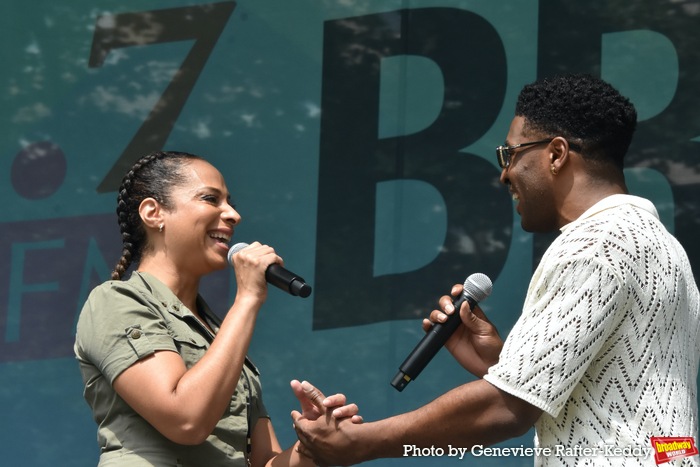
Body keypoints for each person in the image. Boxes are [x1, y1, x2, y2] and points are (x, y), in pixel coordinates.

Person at [292, 74, 700, 466]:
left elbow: (507, 410)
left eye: (510, 154)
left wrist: (361, 443)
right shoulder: (664, 248)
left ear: (556, 154)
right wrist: (503, 364)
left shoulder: (592, 245)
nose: (505, 173)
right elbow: (623, 400)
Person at [74, 150, 361, 467]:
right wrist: (249, 297)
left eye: (231, 205)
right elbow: (185, 419)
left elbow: (264, 461)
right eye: (211, 199)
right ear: (154, 213)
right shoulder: (116, 301)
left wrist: (313, 444)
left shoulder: (217, 332)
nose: (234, 216)